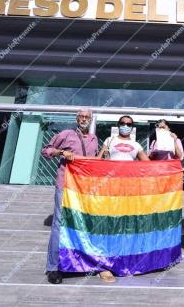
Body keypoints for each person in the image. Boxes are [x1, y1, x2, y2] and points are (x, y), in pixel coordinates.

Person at [40, 109, 114, 284]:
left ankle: (82, 263)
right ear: (76, 118)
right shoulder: (66, 134)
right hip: (65, 185)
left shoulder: (94, 139)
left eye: (87, 117)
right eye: (81, 116)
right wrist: (60, 152)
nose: (83, 119)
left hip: (85, 188)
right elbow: (46, 150)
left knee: (83, 225)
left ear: (91, 119)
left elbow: (92, 162)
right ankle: (53, 268)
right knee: (59, 224)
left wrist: (105, 157)